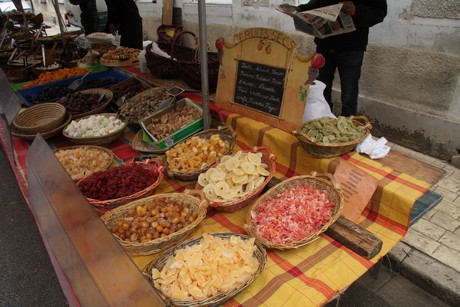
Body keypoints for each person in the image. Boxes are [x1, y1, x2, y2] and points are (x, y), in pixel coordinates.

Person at [297, 0, 387, 116]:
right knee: (320, 90)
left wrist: (356, 11)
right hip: (325, 45)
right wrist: (301, 9)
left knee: (349, 94)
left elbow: (379, 12)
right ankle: (322, 121)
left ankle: (347, 126)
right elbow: (317, 2)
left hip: (351, 48)